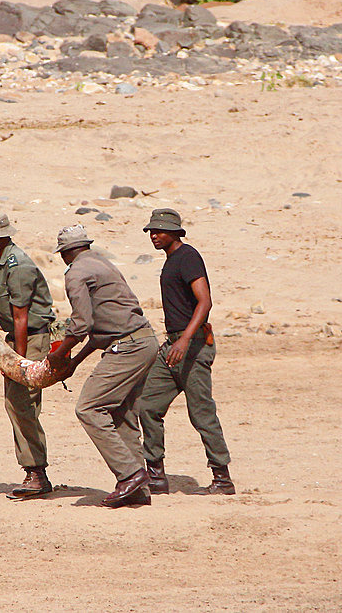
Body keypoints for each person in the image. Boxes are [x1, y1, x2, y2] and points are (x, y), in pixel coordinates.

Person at [46, 224, 159, 508]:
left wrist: (60, 354)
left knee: (89, 407)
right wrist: (75, 362)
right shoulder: (102, 263)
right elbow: (100, 330)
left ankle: (131, 474)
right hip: (146, 342)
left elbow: (81, 324)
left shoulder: (75, 273)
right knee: (122, 413)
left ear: (64, 253)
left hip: (127, 347)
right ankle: (137, 491)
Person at [137, 208, 234, 495]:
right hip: (174, 345)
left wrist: (183, 341)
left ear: (176, 233)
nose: (154, 236)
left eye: (160, 231)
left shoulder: (188, 257)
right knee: (147, 405)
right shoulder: (170, 261)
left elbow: (205, 303)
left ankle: (222, 478)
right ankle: (155, 474)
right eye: (151, 231)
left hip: (191, 346)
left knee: (201, 413)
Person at [0, 212, 56, 500]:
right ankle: (34, 471)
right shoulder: (0, 260)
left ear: (1, 237)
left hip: (29, 339)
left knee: (22, 403)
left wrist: (18, 362)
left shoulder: (18, 266)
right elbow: (1, 294)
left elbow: (21, 316)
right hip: (19, 338)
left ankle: (36, 473)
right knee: (16, 403)